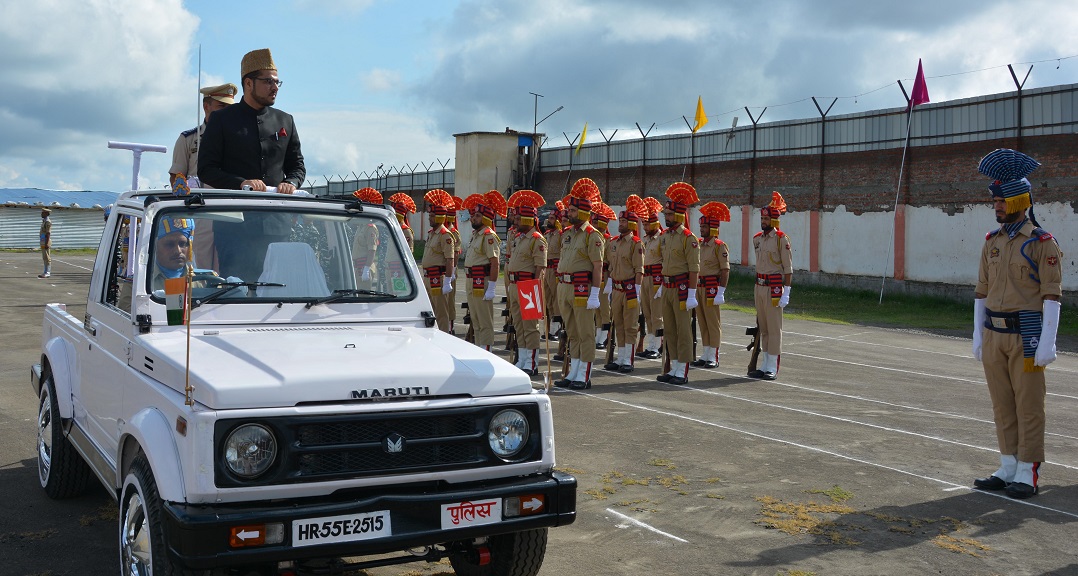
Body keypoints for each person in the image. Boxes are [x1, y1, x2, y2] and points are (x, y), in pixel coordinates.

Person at [972, 148, 1063, 500]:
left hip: (1027, 333)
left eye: (1002, 200)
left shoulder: (1042, 243)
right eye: (994, 200)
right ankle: (1007, 465)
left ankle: (1028, 471)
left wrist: (1047, 342)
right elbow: (981, 291)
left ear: (1020, 201)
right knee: (1001, 403)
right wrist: (977, 335)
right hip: (994, 334)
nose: (996, 206)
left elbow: (1052, 295)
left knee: (1028, 406)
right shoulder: (991, 243)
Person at [198, 48, 305, 281]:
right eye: (268, 81)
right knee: (239, 293)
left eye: (277, 82)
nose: (275, 87)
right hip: (236, 228)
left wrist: (291, 182)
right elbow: (206, 170)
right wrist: (242, 183)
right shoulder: (222, 120)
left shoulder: (285, 120)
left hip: (278, 227)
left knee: (281, 292)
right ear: (248, 83)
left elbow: (297, 167)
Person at [554, 178, 604, 389]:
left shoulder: (593, 236)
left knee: (585, 332)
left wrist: (595, 293)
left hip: (582, 288)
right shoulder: (567, 234)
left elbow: (598, 266)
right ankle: (573, 371)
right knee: (572, 332)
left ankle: (584, 374)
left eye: (573, 210)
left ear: (583, 212)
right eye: (569, 210)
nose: (569, 214)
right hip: (564, 287)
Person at [655, 182, 700, 385]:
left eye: (670, 214)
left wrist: (691, 294)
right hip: (667, 287)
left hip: (682, 289)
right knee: (670, 329)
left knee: (683, 329)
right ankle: (673, 367)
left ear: (680, 216)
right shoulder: (664, 237)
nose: (666, 217)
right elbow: (663, 262)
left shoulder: (689, 239)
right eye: (666, 213)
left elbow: (694, 269)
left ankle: (682, 369)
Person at [750, 192, 793, 380]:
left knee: (774, 328)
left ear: (774, 220)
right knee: (764, 327)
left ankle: (772, 367)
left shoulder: (781, 239)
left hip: (774, 287)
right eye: (762, 218)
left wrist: (787, 292)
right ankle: (764, 364)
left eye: (766, 218)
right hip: (759, 286)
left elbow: (788, 269)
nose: (763, 221)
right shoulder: (757, 238)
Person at [505, 189, 548, 376]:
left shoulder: (537, 240)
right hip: (515, 286)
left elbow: (540, 267)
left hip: (529, 286)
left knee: (530, 327)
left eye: (520, 217)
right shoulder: (518, 238)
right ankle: (522, 358)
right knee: (519, 325)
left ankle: (532, 362)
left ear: (530, 219)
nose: (516, 220)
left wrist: (536, 289)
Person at [603, 195, 645, 373]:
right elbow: (609, 265)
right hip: (616, 289)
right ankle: (620, 357)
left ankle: (628, 359)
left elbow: (639, 269)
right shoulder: (613, 243)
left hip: (629, 290)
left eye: (624, 221)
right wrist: (608, 283)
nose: (620, 224)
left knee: (630, 325)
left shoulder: (636, 244)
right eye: (620, 220)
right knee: (618, 324)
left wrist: (636, 290)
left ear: (632, 224)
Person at [169, 83, 238, 187]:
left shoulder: (239, 138)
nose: (227, 111)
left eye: (230, 107)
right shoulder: (187, 139)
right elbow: (176, 177)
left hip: (231, 200)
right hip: (200, 201)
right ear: (206, 106)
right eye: (221, 106)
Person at [462, 191, 505, 351]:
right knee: (476, 319)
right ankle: (480, 349)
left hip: (482, 281)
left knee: (484, 320)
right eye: (473, 216)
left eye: (478, 216)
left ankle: (487, 351)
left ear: (486, 218)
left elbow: (495, 263)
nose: (474, 218)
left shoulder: (489, 236)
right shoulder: (476, 235)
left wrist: (492, 286)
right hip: (471, 280)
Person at [693, 202, 731, 369]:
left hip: (711, 287)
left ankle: (713, 355)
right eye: (701, 226)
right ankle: (705, 352)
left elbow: (725, 270)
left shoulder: (719, 246)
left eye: (705, 226)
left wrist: (721, 291)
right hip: (699, 287)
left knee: (712, 322)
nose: (702, 229)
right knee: (702, 321)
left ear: (713, 228)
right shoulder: (699, 244)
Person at [420, 189, 457, 333]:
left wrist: (447, 280)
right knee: (430, 312)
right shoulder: (432, 234)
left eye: (433, 216)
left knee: (441, 313)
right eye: (429, 215)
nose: (430, 218)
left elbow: (450, 259)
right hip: (428, 277)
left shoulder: (445, 235)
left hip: (438, 278)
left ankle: (444, 338)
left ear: (441, 217)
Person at [638, 196, 665, 359]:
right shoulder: (645, 240)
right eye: (643, 224)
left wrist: (662, 283)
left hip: (656, 279)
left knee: (657, 314)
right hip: (645, 278)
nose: (645, 227)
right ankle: (651, 344)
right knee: (647, 313)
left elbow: (666, 261)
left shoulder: (662, 239)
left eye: (647, 224)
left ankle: (658, 345)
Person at [591, 202, 615, 349]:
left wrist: (610, 281)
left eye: (595, 221)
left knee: (605, 308)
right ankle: (599, 334)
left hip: (605, 275)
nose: (592, 224)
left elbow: (611, 262)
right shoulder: (594, 238)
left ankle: (605, 336)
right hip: (596, 275)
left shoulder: (608, 240)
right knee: (597, 309)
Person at [543, 201, 565, 342]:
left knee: (556, 300)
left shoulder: (561, 234)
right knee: (548, 299)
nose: (548, 220)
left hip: (556, 269)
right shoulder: (548, 234)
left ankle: (556, 328)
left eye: (552, 218)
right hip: (547, 269)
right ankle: (550, 327)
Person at [351, 188, 383, 289]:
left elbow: (372, 250)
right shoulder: (361, 226)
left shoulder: (370, 228)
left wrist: (366, 268)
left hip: (363, 266)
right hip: (357, 268)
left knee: (364, 299)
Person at [37, 208, 52, 278]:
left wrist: (46, 243)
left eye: (43, 213)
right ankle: (45, 271)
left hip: (46, 241)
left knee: (47, 257)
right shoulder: (44, 221)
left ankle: (47, 272)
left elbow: (48, 233)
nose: (41, 214)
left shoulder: (48, 222)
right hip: (43, 240)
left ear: (46, 213)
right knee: (44, 257)